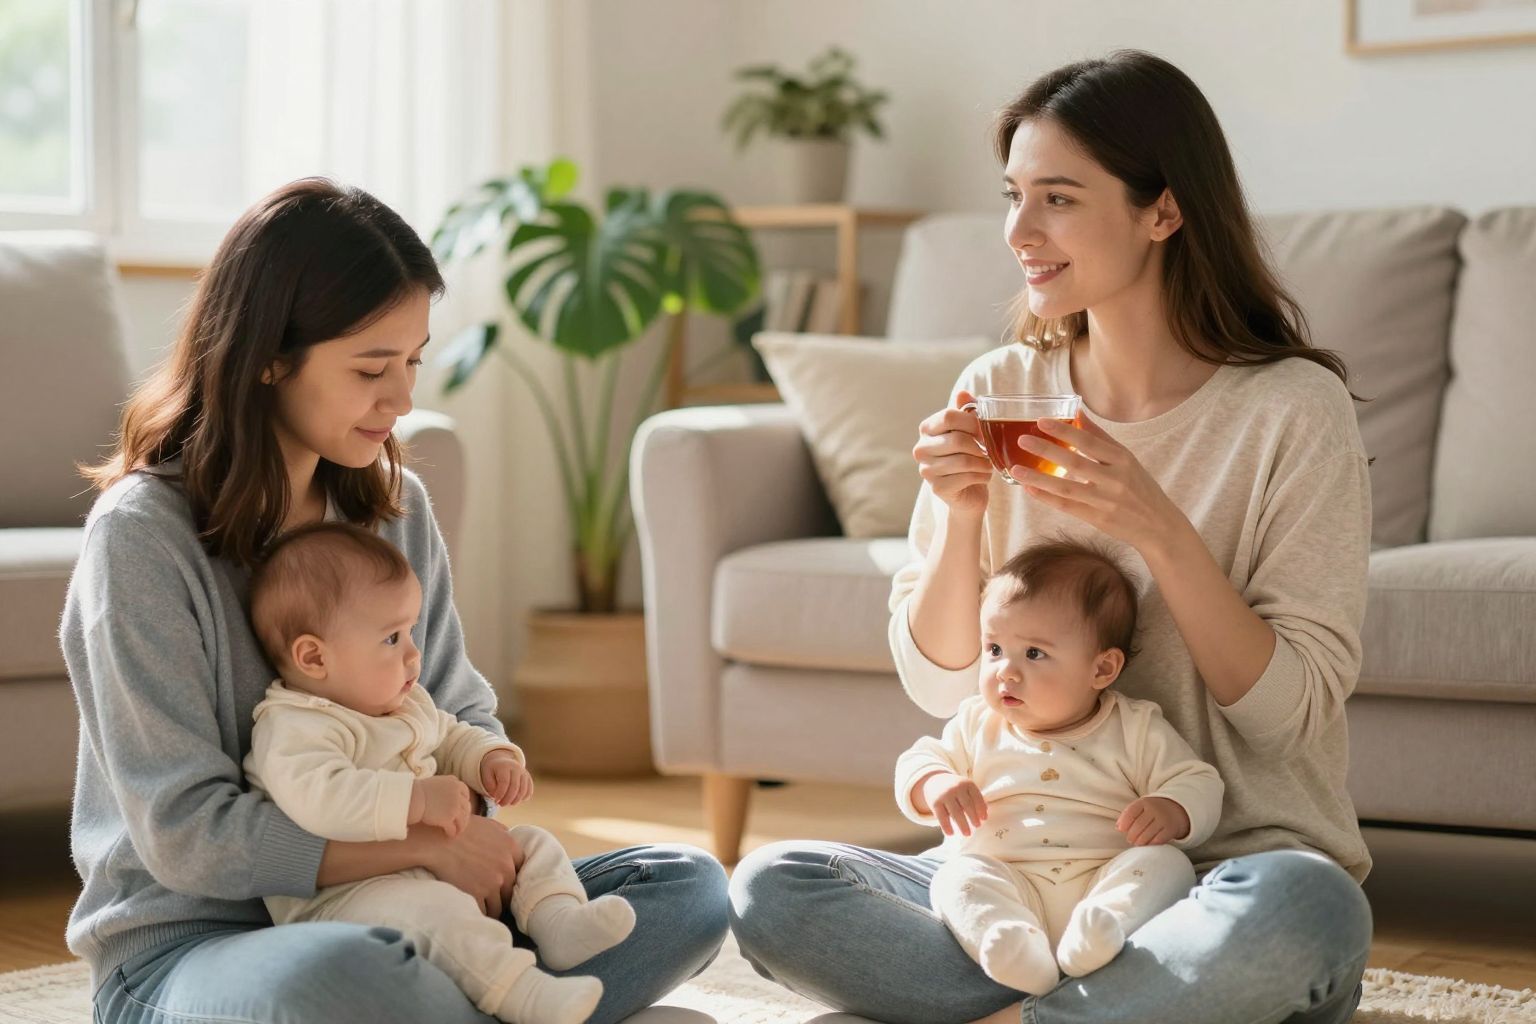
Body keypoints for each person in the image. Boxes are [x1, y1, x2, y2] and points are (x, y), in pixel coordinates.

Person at [730, 50, 1374, 1024]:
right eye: (1014, 196)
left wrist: (1160, 530)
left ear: (1164, 211)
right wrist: (961, 515)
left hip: (1217, 876)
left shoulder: (1292, 410)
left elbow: (1288, 721)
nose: (1019, 231)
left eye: (1058, 199)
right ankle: (1104, 1003)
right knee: (773, 888)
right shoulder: (1001, 390)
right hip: (1021, 875)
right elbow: (940, 687)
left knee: (1308, 909)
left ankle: (1039, 1006)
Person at [63, 177, 727, 1024]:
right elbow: (185, 835)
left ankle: (477, 997)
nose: (403, 398)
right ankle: (484, 1000)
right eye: (372, 368)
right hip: (198, 948)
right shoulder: (143, 537)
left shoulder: (394, 509)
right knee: (347, 974)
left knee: (687, 887)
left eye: (412, 362)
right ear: (268, 356)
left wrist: (473, 797)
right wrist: (420, 845)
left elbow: (457, 709)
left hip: (421, 906)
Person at [244, 522, 637, 1024]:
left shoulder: (401, 703)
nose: (414, 653)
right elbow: (321, 798)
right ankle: (522, 993)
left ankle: (559, 924)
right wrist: (418, 800)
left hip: (434, 876)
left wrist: (490, 759)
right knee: (436, 914)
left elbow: (451, 735)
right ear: (314, 657)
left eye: (410, 631)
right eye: (391, 638)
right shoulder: (294, 725)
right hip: (346, 897)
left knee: (532, 843)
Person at [898, 539, 1223, 996]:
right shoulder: (977, 722)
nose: (1005, 671)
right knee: (955, 878)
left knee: (1168, 864)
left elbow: (1198, 780)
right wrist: (936, 784)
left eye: (1033, 653)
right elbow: (919, 760)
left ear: (1102, 669)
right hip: (1007, 880)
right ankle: (1009, 945)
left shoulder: (1134, 726)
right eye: (994, 648)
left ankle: (1104, 931)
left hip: (1103, 878)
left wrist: (1173, 808)